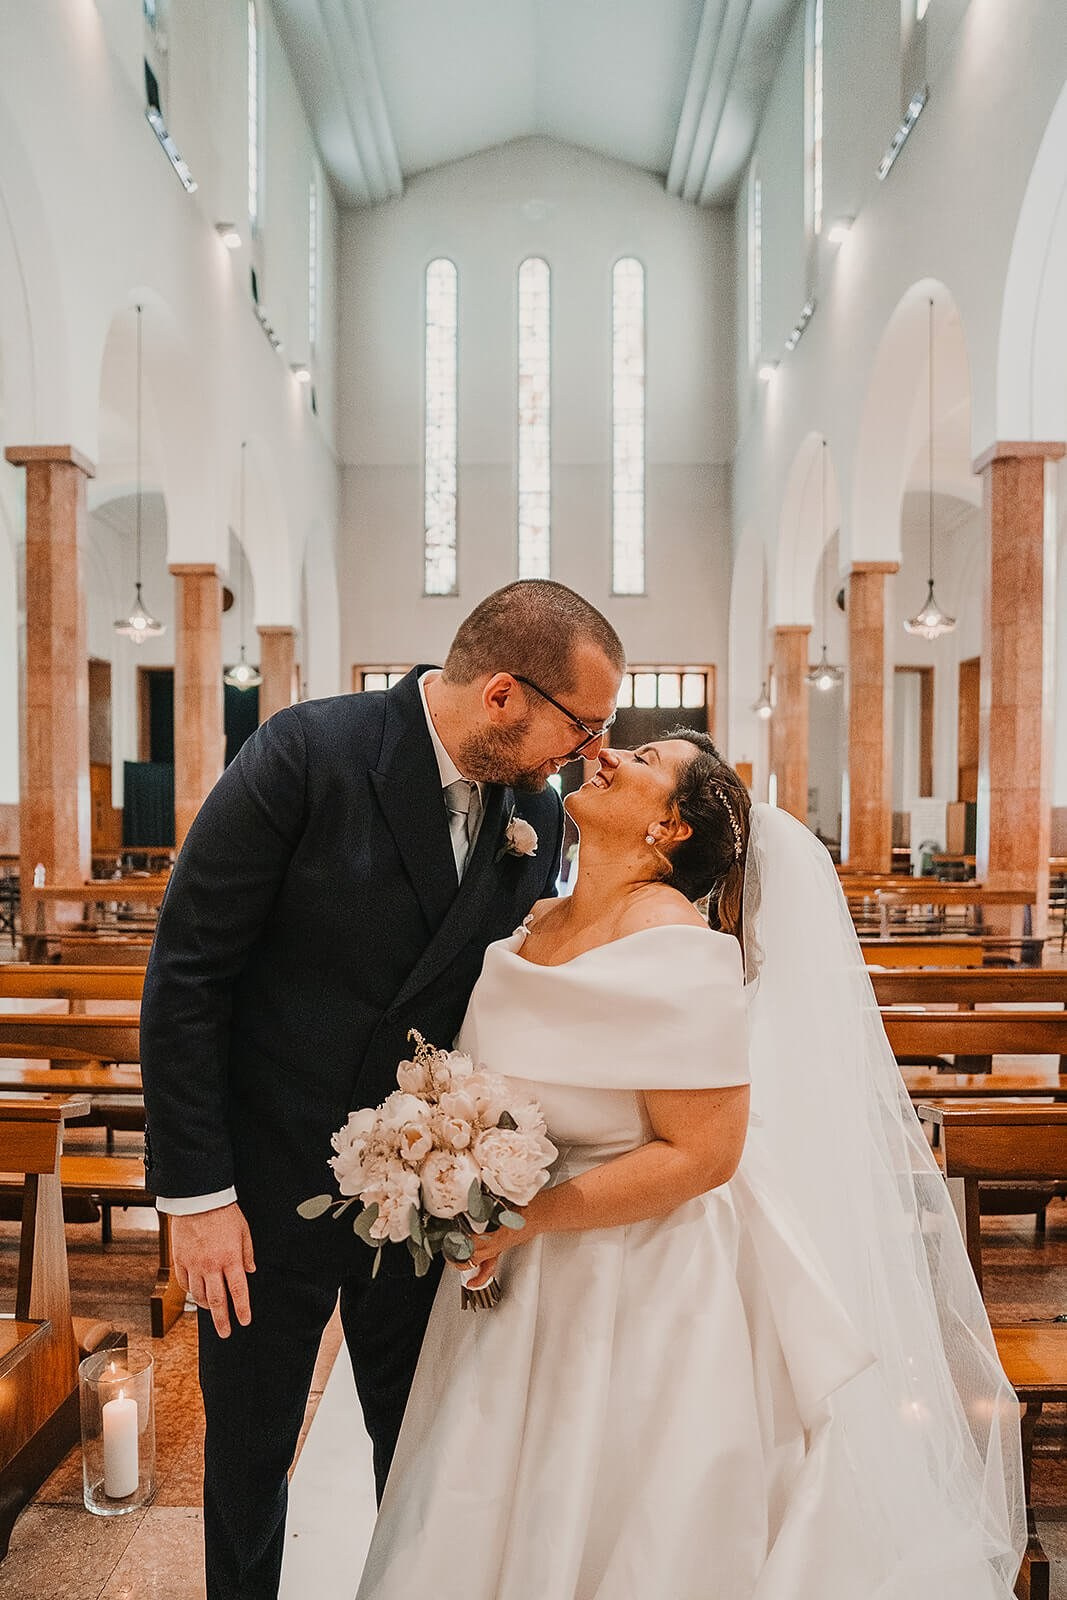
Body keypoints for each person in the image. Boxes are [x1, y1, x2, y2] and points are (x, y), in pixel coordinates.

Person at [355, 734, 1026, 1600]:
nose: (605, 753)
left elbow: (704, 1155)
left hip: (635, 1277)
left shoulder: (672, 938)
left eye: (640, 757)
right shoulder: (538, 921)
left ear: (670, 825)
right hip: (511, 1283)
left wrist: (522, 1220)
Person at [138, 579, 625, 1600]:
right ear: (502, 695)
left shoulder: (532, 814)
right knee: (246, 1457)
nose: (582, 753)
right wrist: (197, 1195)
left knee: (421, 1453)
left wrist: (494, 1172)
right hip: (262, 1195)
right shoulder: (307, 754)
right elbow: (187, 972)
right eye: (580, 724)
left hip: (424, 1204)